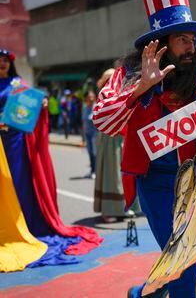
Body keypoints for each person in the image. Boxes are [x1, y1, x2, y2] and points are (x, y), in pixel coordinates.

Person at [92, 0, 196, 297]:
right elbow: (102, 121)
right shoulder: (128, 74)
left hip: (193, 182)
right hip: (154, 182)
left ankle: (146, 293)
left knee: (179, 256)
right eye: (182, 40)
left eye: (192, 40)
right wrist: (140, 88)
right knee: (185, 261)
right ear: (162, 43)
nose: (191, 47)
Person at [0, 49, 102, 271]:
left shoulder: (17, 84)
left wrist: (41, 105)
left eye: (5, 61)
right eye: (0, 61)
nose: (3, 64)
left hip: (16, 143)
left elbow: (27, 108)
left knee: (19, 185)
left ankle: (25, 227)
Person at [94, 69, 141, 222]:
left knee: (125, 172)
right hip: (110, 138)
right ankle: (108, 210)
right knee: (111, 173)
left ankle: (126, 207)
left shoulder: (121, 93)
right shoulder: (104, 96)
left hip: (122, 137)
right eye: (108, 79)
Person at [82, 90, 98, 179]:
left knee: (95, 153)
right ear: (86, 99)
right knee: (90, 153)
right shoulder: (85, 108)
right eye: (89, 97)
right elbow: (83, 122)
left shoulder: (96, 107)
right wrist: (82, 137)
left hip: (95, 134)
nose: (91, 98)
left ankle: (95, 171)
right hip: (87, 134)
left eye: (92, 96)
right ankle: (92, 170)